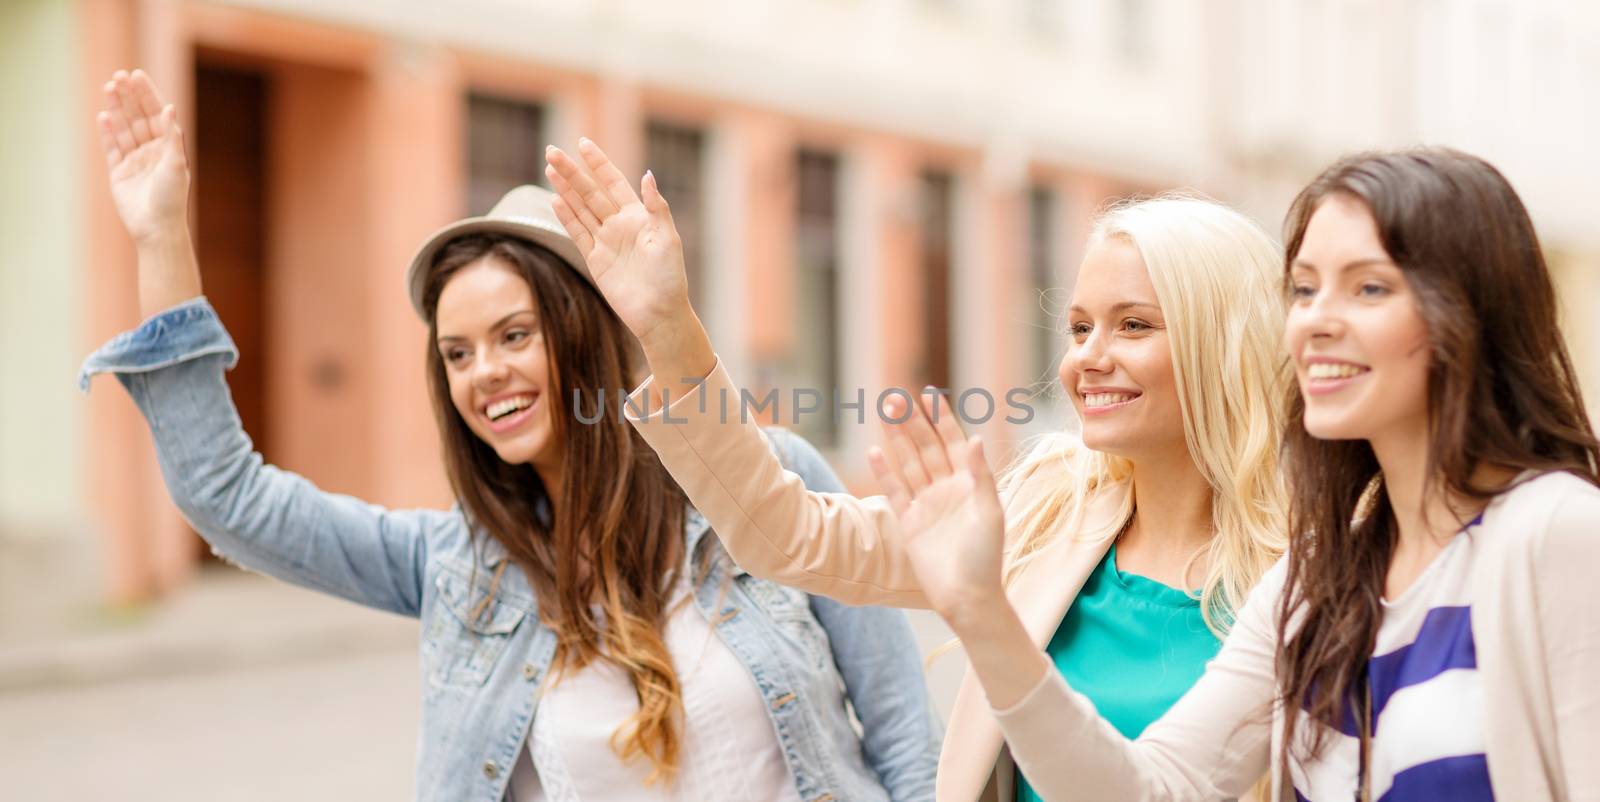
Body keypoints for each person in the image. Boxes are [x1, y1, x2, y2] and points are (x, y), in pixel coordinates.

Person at [79, 69, 941, 802]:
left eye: (514, 336)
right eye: (457, 353)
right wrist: (161, 235)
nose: (482, 371)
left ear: (582, 335)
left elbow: (908, 740)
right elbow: (228, 497)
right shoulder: (458, 566)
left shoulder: (772, 481)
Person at [541, 138, 1291, 800]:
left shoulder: (1314, 570)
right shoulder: (1045, 507)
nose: (1088, 358)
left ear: (1219, 342)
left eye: (1133, 325)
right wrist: (670, 332)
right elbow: (788, 534)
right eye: (1079, 327)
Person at [863, 148, 1600, 800]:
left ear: (1468, 316)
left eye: (1368, 288)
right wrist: (981, 612)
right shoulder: (1318, 578)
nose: (1316, 319)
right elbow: (1153, 789)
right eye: (1305, 289)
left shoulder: (1556, 533)